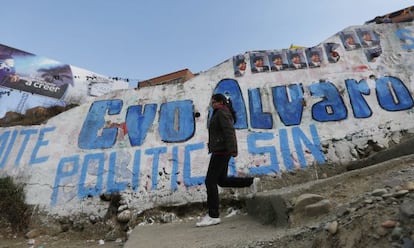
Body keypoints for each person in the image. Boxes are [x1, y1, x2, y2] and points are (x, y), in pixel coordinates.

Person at [196, 93, 260, 227]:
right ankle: (251, 182)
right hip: (221, 150)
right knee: (221, 180)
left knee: (210, 181)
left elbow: (229, 131)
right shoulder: (220, 112)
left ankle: (213, 215)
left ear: (220, 102)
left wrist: (233, 149)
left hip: (221, 151)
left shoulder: (222, 113)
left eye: (213, 102)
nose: (212, 104)